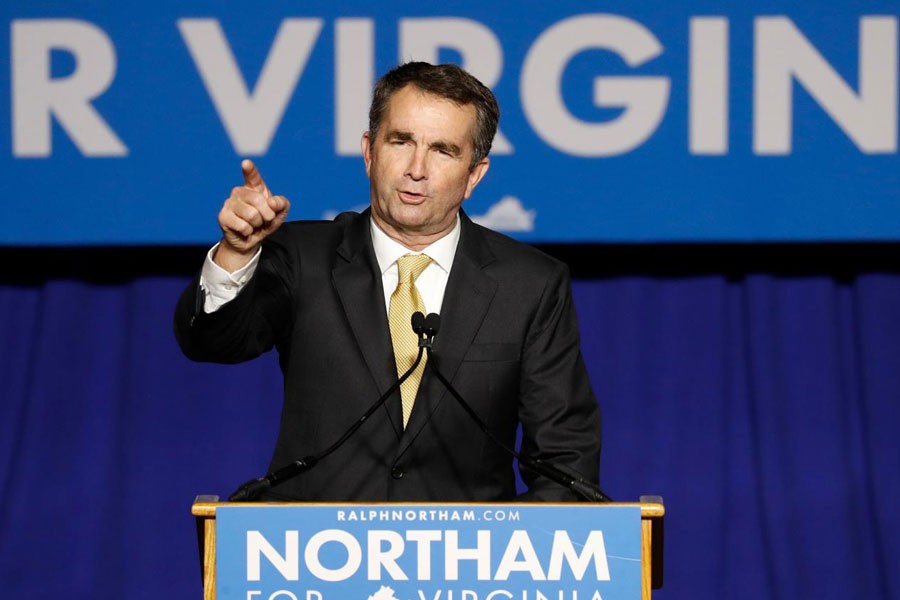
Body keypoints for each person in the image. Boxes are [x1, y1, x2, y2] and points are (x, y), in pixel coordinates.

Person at [174, 62, 600, 502]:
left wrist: (514, 557)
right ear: (369, 152)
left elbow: (566, 459)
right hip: (313, 557)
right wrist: (238, 253)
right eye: (401, 141)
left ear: (474, 175)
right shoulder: (304, 257)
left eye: (443, 150)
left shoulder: (528, 284)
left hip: (468, 564)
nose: (417, 168)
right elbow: (211, 343)